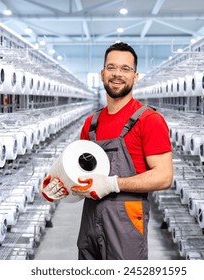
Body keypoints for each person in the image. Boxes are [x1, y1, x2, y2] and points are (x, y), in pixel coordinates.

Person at [41, 42, 173, 260]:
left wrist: (112, 184)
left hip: (127, 223)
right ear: (102, 74)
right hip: (90, 221)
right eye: (111, 67)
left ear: (135, 76)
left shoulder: (149, 120)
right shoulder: (91, 123)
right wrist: (61, 187)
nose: (117, 74)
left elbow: (164, 176)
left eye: (125, 69)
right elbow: (79, 175)